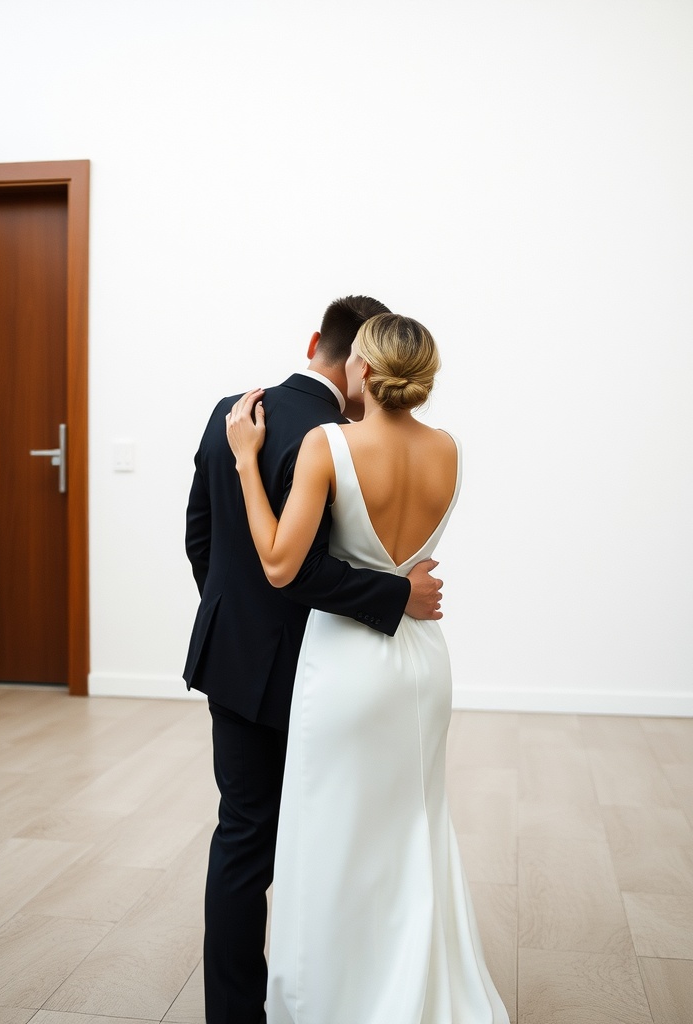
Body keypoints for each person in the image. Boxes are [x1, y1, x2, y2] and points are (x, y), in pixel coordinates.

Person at [225, 312, 510, 1024]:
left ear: (361, 369)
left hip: (348, 664)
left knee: (331, 834)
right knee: (413, 829)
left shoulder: (330, 443)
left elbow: (280, 563)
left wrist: (244, 463)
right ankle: (413, 989)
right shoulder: (449, 449)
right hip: (422, 662)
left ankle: (338, 998)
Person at [184, 296, 446, 1024]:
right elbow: (303, 571)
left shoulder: (231, 410)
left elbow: (199, 535)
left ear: (312, 342)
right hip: (319, 672)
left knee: (241, 836)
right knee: (326, 837)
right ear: (365, 362)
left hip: (232, 663)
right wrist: (396, 594)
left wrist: (234, 623)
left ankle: (233, 1013)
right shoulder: (343, 438)